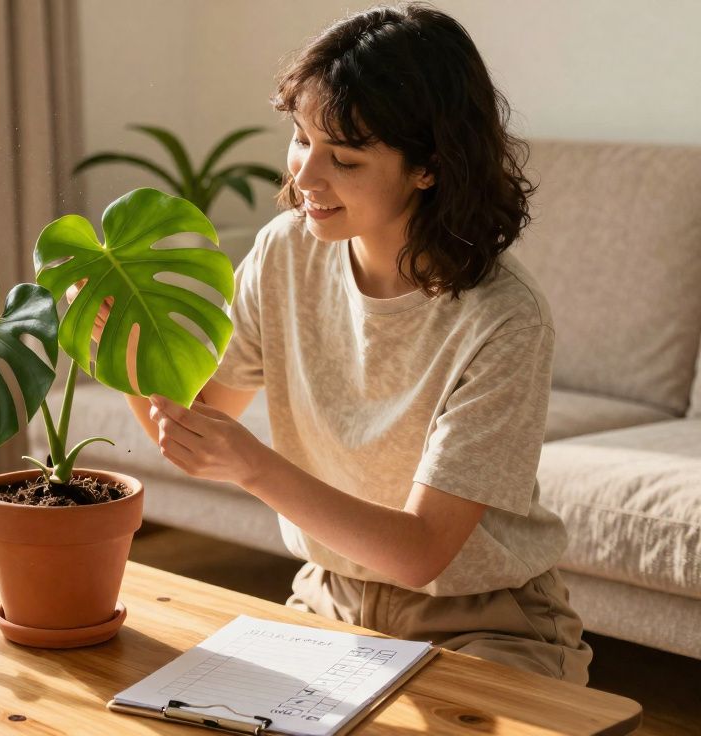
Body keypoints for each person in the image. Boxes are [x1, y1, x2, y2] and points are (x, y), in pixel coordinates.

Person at [109, 3, 594, 684]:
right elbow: (193, 430)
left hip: (488, 621)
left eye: (344, 158)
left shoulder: (505, 320)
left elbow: (422, 551)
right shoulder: (284, 255)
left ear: (428, 167)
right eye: (301, 139)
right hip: (330, 599)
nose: (305, 178)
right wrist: (117, 348)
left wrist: (255, 466)